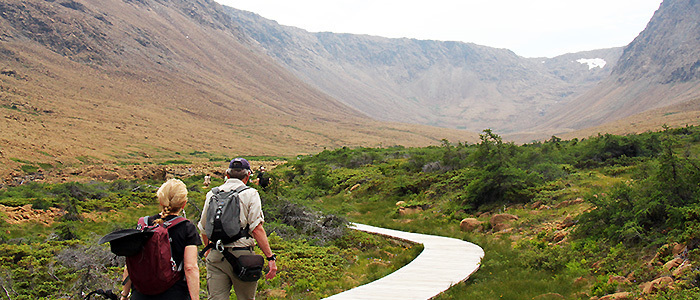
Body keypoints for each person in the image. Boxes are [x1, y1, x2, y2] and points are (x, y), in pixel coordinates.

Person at [198, 158, 278, 300]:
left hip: (216, 256)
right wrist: (270, 257)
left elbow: (203, 228)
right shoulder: (250, 194)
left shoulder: (211, 194)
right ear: (247, 176)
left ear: (227, 175)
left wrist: (209, 251)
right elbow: (256, 229)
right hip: (243, 257)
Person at [120, 179, 202, 300]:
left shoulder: (144, 224)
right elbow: (190, 267)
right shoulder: (187, 228)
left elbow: (131, 263)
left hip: (141, 294)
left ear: (160, 200)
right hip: (174, 293)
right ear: (183, 204)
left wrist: (124, 294)